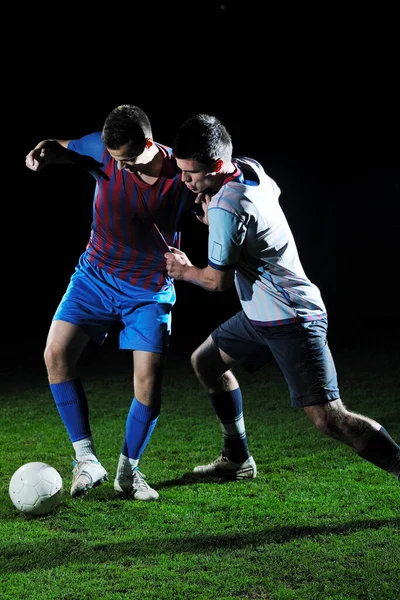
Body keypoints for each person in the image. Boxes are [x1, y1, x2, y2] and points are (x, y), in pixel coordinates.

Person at [165, 113, 400, 485]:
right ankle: (237, 458)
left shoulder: (227, 207)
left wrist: (184, 270)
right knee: (206, 362)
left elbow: (217, 281)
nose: (185, 181)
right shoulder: (249, 167)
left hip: (291, 317)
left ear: (219, 165)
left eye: (192, 174)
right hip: (261, 315)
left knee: (329, 418)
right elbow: (268, 200)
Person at [25, 104, 196, 501]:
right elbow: (60, 144)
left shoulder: (180, 174)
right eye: (116, 160)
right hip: (95, 277)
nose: (121, 168)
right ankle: (85, 460)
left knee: (148, 386)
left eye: (129, 160)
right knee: (55, 355)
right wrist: (45, 151)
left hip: (147, 290)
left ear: (149, 144)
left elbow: (215, 193)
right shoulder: (102, 150)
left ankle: (128, 472)